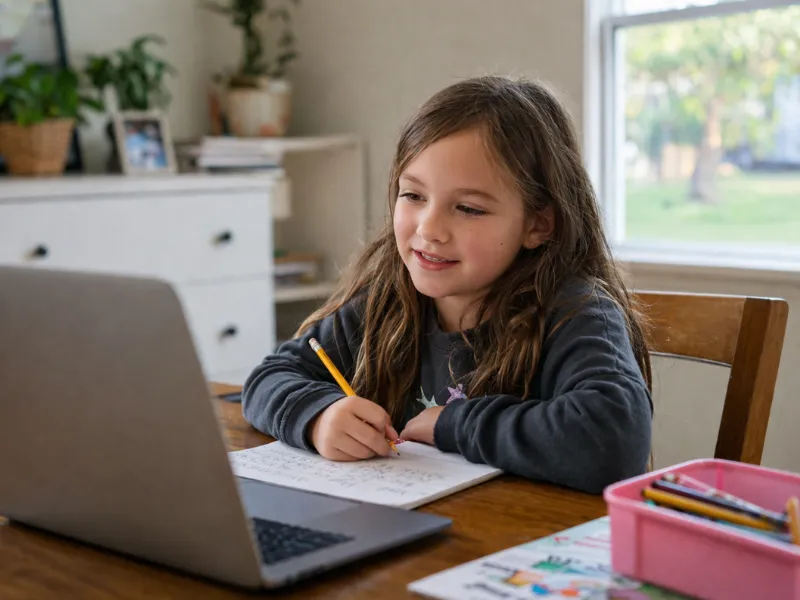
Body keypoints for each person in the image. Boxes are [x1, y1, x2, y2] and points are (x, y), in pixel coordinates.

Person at [242, 76, 653, 494]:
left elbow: (613, 439)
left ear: (538, 223)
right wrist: (318, 416)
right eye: (413, 196)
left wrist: (454, 422)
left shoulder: (576, 313)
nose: (430, 228)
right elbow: (269, 377)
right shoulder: (386, 300)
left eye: (469, 208)